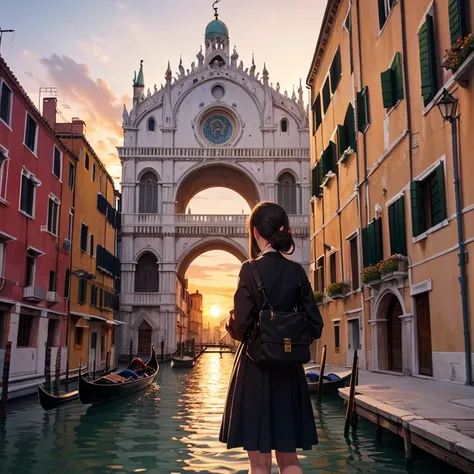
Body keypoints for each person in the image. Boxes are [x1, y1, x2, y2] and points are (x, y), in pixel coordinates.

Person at [219, 202, 324, 474]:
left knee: (260, 464)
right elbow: (315, 325)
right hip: (290, 375)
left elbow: (241, 326)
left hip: (255, 372)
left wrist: (229, 324)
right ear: (283, 231)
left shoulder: (249, 269)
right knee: (290, 461)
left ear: (255, 233)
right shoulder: (298, 272)